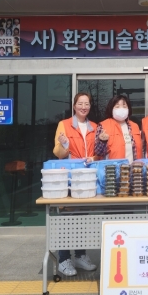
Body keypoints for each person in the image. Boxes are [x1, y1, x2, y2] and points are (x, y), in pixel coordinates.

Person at [52, 92, 98, 276]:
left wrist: (93, 157)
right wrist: (64, 145)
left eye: (87, 104)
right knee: (67, 219)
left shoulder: (95, 127)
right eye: (80, 103)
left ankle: (80, 255)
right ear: (74, 106)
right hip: (69, 180)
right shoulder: (63, 125)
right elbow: (58, 153)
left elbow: (99, 153)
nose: (83, 107)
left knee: (82, 219)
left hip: (87, 180)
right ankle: (63, 259)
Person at [95, 95, 142, 162]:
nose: (121, 109)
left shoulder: (135, 126)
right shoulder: (103, 126)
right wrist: (102, 142)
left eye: (124, 106)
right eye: (117, 107)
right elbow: (98, 153)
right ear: (111, 109)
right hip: (113, 167)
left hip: (134, 167)